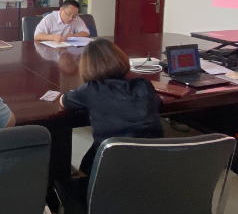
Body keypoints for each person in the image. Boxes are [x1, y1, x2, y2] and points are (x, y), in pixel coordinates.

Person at [60, 39, 163, 177]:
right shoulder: (144, 85)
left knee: (91, 158)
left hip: (110, 167)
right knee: (91, 155)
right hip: (152, 163)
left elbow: (64, 100)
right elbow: (157, 103)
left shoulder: (90, 90)